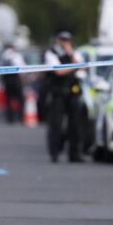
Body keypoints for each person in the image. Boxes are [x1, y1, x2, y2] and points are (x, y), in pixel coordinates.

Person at [44, 30, 83, 163]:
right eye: (63, 40)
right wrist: (74, 67)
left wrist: (71, 55)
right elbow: (58, 71)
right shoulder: (51, 53)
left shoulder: (73, 52)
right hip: (58, 93)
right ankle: (54, 153)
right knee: (56, 125)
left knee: (75, 125)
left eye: (68, 40)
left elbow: (82, 67)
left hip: (72, 92)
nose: (65, 43)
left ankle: (75, 154)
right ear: (58, 40)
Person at [0, 42, 26, 123]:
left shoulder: (4, 55)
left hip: (7, 80)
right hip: (16, 79)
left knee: (9, 100)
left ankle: (10, 118)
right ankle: (20, 117)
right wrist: (22, 80)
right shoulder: (17, 55)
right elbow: (20, 69)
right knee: (20, 100)